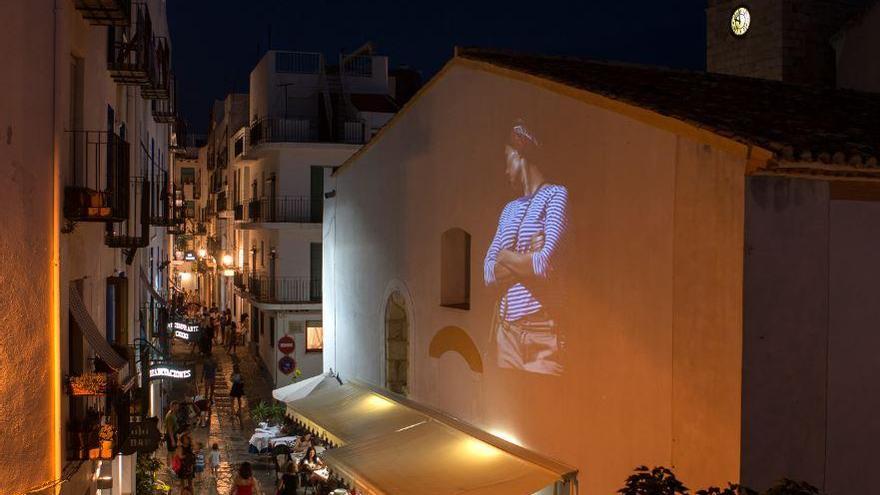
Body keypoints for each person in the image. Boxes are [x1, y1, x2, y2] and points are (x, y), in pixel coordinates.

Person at [483, 118, 568, 376]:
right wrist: (524, 256)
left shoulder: (556, 195)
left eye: (506, 158)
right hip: (506, 332)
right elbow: (487, 273)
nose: (504, 170)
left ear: (520, 153)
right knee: (508, 415)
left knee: (545, 412)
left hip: (541, 332)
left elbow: (543, 265)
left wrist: (505, 256)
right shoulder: (509, 210)